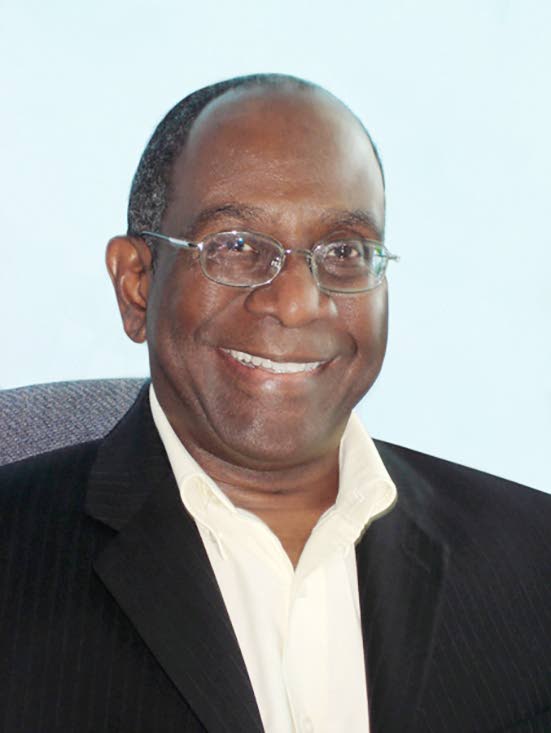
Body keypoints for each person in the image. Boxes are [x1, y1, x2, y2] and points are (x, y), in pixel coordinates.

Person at [0, 73, 550, 733]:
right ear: (137, 284)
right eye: (235, 246)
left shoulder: (535, 560)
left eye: (343, 251)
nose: (295, 303)